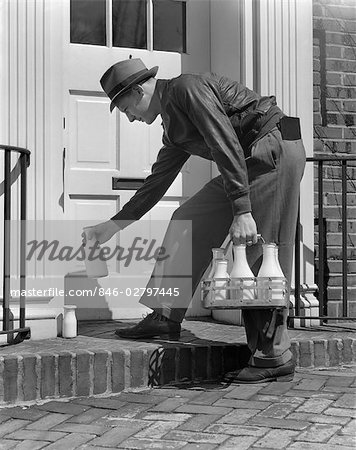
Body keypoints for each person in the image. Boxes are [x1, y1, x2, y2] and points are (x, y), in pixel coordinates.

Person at [86, 57, 306, 383]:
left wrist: (242, 211)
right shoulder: (173, 128)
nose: (130, 118)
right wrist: (113, 225)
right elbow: (156, 183)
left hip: (270, 150)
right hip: (244, 160)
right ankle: (165, 313)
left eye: (125, 109)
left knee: (261, 250)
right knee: (187, 218)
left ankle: (272, 355)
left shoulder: (186, 89)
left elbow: (223, 141)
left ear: (139, 90)